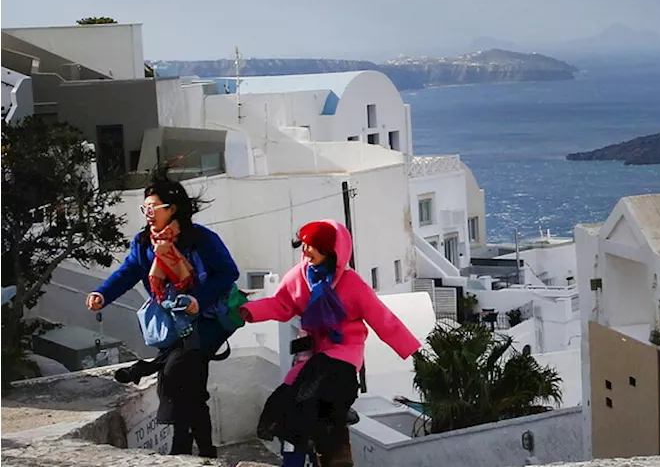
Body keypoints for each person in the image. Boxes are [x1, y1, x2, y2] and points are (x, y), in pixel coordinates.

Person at [241, 219, 419, 467]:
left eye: (314, 246)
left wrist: (413, 350)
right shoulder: (299, 277)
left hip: (344, 355)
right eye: (304, 246)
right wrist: (249, 311)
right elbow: (281, 304)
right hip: (312, 355)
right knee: (285, 402)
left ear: (331, 251)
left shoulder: (352, 284)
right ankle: (294, 458)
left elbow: (382, 318)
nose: (307, 252)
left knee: (310, 400)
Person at [86, 172, 239, 458]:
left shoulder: (201, 239)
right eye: (145, 209)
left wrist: (198, 299)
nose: (148, 214)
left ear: (173, 209)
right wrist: (102, 294)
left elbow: (228, 273)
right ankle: (204, 450)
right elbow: (128, 272)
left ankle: (182, 446)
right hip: (174, 322)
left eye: (153, 208)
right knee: (191, 384)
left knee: (176, 370)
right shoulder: (144, 243)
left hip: (207, 319)